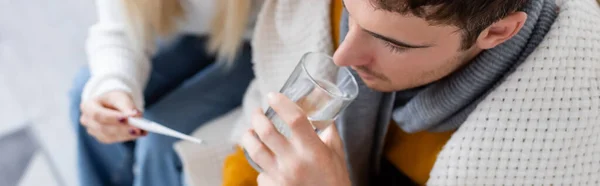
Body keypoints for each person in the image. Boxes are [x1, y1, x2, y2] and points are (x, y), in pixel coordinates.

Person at [239, 0, 600, 185]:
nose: (342, 56)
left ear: (496, 33)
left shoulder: (564, 128)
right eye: (351, 11)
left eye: (391, 43)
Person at [68, 0, 263, 185]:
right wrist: (114, 86)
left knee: (161, 142)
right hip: (194, 31)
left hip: (263, 40)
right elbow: (120, 27)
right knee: (89, 95)